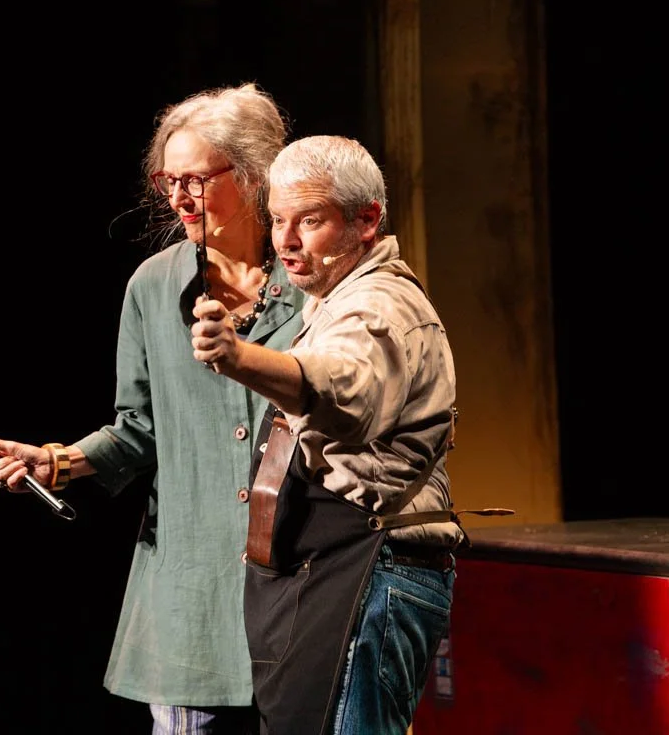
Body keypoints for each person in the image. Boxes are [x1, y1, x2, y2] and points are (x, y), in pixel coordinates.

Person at [0, 83, 306, 733]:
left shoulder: (313, 280)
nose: (178, 197)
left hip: (298, 587)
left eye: (195, 179)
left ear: (252, 174)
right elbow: (136, 432)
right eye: (167, 180)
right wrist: (54, 461)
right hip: (191, 599)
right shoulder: (154, 287)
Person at [190, 135, 495, 734]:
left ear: (367, 220)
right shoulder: (333, 302)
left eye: (309, 220)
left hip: (371, 573)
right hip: (334, 574)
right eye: (277, 220)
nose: (286, 241)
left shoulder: (378, 306)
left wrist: (238, 358)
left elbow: (342, 390)